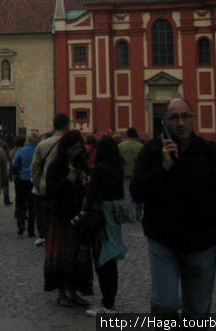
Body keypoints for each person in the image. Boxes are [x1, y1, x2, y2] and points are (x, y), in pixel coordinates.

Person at [130, 98, 216, 318]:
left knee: (198, 312)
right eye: (174, 118)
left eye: (185, 116)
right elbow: (137, 192)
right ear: (165, 122)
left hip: (201, 244)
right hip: (163, 241)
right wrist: (163, 168)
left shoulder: (211, 154)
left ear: (193, 119)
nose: (181, 123)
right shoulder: (152, 151)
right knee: (165, 304)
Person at [43, 129, 93, 308]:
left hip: (78, 216)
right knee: (61, 256)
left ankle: (74, 292)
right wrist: (68, 181)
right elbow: (50, 192)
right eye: (73, 148)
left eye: (78, 148)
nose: (76, 151)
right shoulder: (56, 166)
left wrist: (85, 183)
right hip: (61, 217)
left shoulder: (82, 164)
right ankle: (62, 293)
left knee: (77, 257)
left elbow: (87, 192)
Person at [85, 135, 127, 316]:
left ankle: (107, 303)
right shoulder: (118, 168)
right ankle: (110, 300)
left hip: (102, 216)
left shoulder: (99, 170)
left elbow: (92, 196)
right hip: (115, 215)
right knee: (111, 260)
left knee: (102, 260)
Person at [31, 113, 71, 247]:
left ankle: (48, 240)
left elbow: (35, 169)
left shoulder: (42, 145)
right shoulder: (73, 143)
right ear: (68, 125)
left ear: (53, 126)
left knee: (47, 217)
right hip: (67, 189)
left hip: (46, 188)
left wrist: (39, 186)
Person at [10, 131, 39, 237]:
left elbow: (14, 163)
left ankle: (21, 224)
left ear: (29, 139)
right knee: (32, 205)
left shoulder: (21, 150)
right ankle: (31, 229)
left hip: (21, 179)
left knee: (21, 202)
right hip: (33, 180)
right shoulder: (38, 150)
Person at [118, 127, 143, 221]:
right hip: (138, 173)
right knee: (138, 193)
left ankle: (130, 215)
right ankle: (138, 214)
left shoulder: (121, 145)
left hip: (125, 172)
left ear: (127, 134)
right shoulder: (140, 146)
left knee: (127, 194)